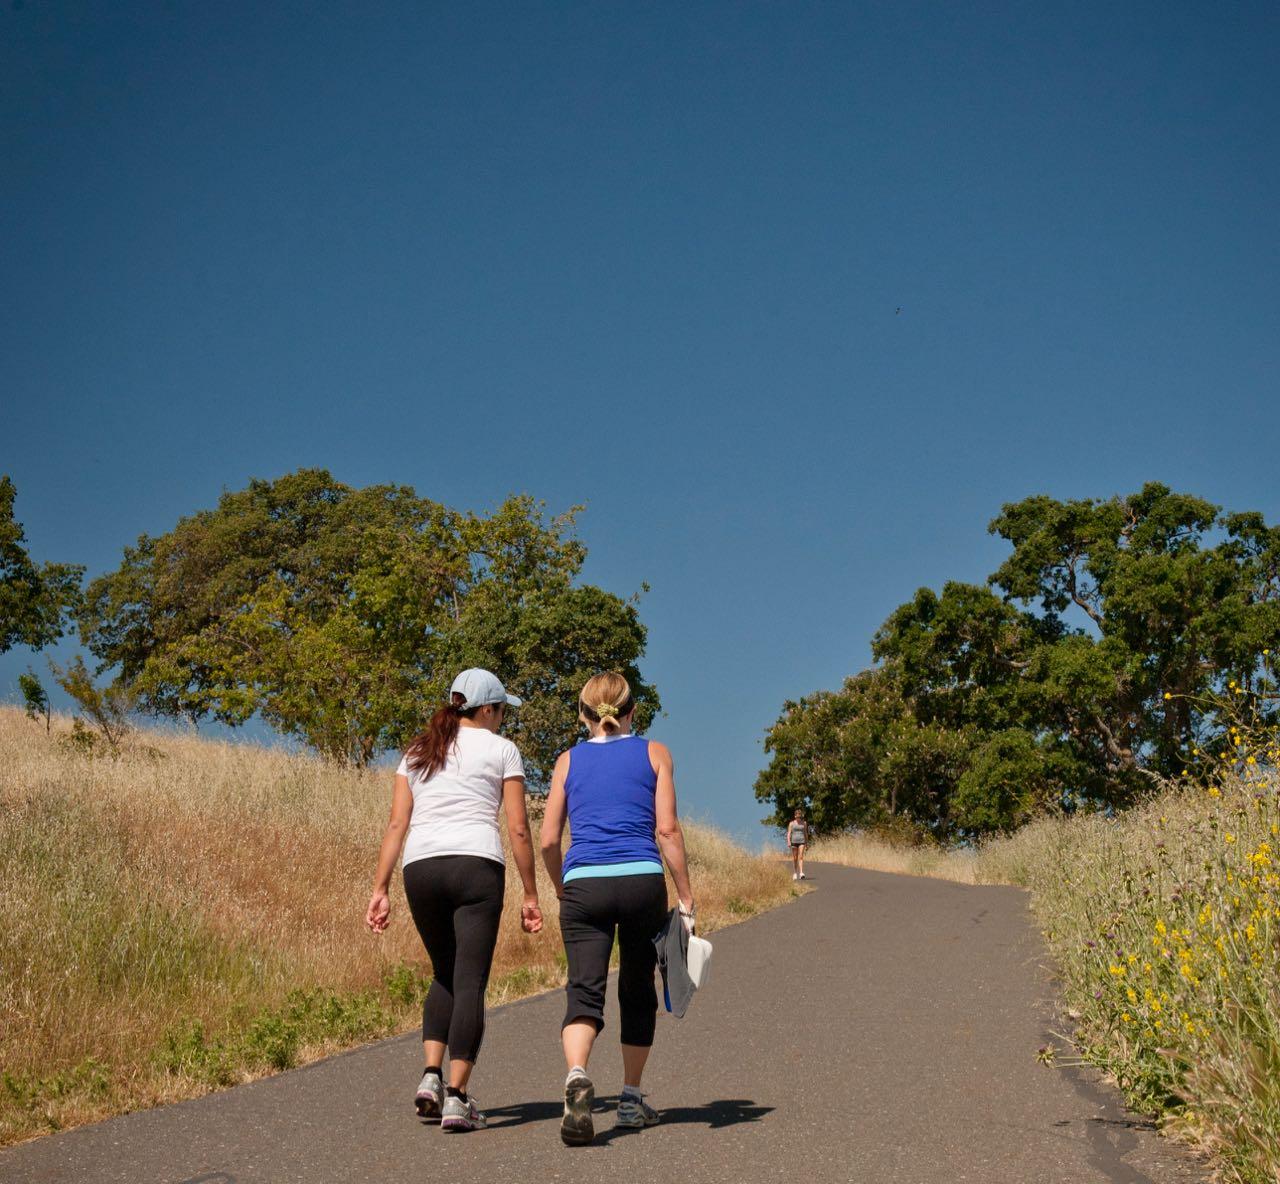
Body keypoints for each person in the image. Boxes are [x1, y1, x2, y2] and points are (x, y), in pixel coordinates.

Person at [366, 668, 542, 1132]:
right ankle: (457, 1097)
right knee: (469, 981)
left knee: (444, 971)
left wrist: (380, 888)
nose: (504, 719)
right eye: (502, 710)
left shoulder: (418, 751)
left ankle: (430, 1076)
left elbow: (395, 826)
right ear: (486, 709)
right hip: (476, 867)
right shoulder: (503, 750)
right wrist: (530, 892)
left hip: (420, 869)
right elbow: (519, 828)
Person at [540, 672, 696, 1146]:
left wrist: (561, 887)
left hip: (583, 882)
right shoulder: (655, 753)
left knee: (584, 990)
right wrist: (686, 895)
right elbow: (666, 831)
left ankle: (576, 1076)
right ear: (632, 712)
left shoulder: (567, 761)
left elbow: (548, 839)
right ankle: (630, 1098)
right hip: (640, 881)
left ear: (583, 715)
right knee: (636, 986)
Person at [787, 808, 809, 880]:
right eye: (797, 816)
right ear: (795, 816)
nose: (799, 818)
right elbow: (789, 833)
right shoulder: (792, 823)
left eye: (800, 817)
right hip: (794, 842)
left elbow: (805, 833)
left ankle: (801, 873)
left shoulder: (804, 823)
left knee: (801, 857)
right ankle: (795, 873)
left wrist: (806, 843)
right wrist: (789, 841)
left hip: (802, 841)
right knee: (795, 858)